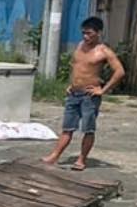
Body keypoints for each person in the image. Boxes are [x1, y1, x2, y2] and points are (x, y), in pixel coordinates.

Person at [41, 16, 125, 171]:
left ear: (98, 33)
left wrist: (103, 90)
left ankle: (81, 159)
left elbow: (119, 71)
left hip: (90, 96)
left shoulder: (103, 51)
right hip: (74, 93)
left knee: (88, 129)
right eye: (84, 33)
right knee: (67, 127)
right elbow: (76, 66)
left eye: (90, 34)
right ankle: (54, 156)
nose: (86, 37)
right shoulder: (80, 46)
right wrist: (71, 84)